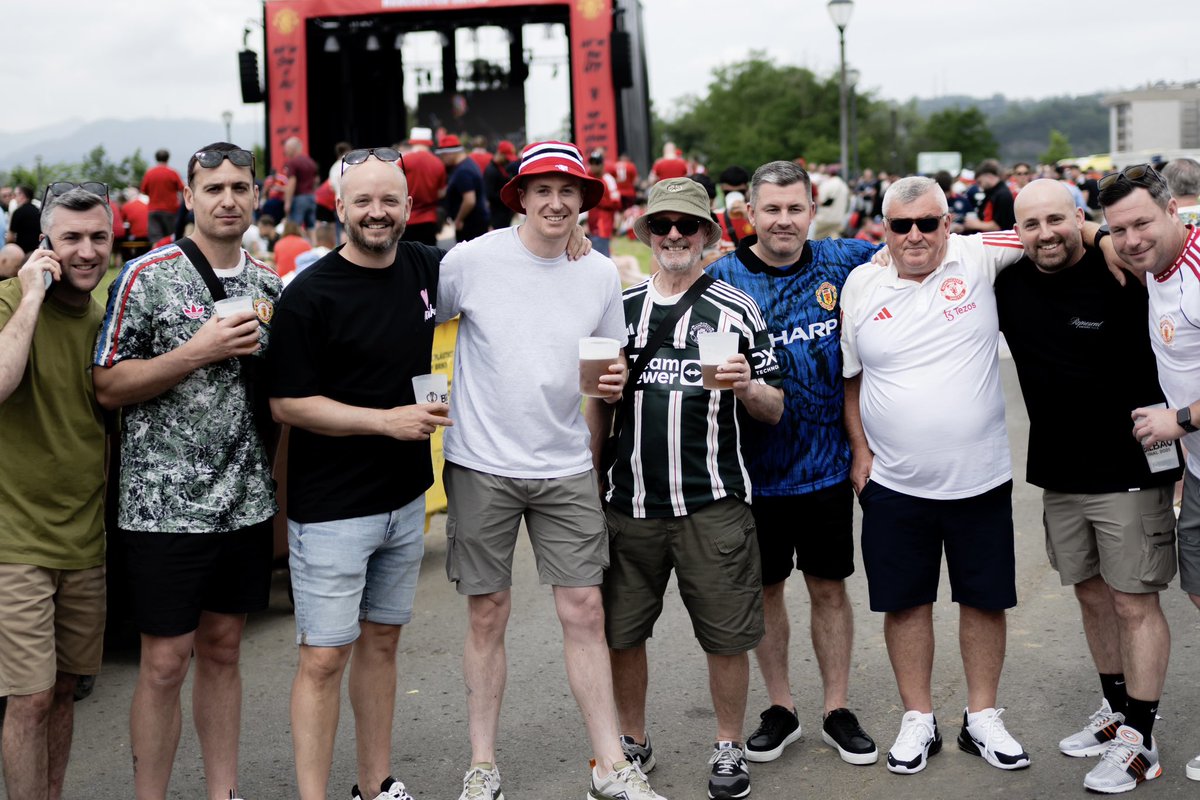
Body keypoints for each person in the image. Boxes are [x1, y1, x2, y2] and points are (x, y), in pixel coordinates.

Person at [437, 140, 663, 800]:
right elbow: (421, 320)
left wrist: (609, 396)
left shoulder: (596, 273)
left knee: (585, 609)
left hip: (564, 462)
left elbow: (600, 371)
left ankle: (609, 766)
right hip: (482, 460)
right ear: (521, 197)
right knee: (487, 612)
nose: (556, 202)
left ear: (584, 202)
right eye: (543, 190)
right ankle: (482, 764)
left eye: (569, 192)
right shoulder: (472, 261)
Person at [93, 142, 282, 800]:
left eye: (239, 187)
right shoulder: (146, 277)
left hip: (246, 502)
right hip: (160, 507)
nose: (227, 199)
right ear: (191, 197)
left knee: (226, 649)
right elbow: (107, 386)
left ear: (256, 193)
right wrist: (195, 352)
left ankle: (222, 792)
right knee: (166, 662)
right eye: (213, 188)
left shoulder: (268, 284)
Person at [595, 177, 783, 800]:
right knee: (622, 634)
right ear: (645, 234)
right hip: (630, 507)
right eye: (662, 226)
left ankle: (728, 745)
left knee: (726, 636)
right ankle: (631, 741)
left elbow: (775, 406)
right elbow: (590, 405)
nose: (674, 236)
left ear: (708, 234)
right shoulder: (616, 309)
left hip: (713, 505)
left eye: (688, 226)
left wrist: (747, 388)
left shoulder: (736, 307)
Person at [269, 147, 447, 800]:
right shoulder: (309, 295)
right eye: (363, 201)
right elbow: (287, 403)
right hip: (333, 509)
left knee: (381, 646)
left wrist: (569, 237)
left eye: (389, 201)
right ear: (339, 207)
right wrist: (386, 422)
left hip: (403, 501)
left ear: (409, 208)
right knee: (322, 658)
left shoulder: (426, 266)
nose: (378, 213)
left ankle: (376, 783)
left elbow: (507, 265)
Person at [840, 175, 1030, 775]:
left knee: (983, 599)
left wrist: (1103, 239)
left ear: (950, 223)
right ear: (886, 230)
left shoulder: (978, 256)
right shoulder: (861, 283)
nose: (916, 235)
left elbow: (1050, 229)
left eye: (929, 222)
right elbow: (851, 378)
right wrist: (860, 452)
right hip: (893, 481)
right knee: (906, 603)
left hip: (980, 476)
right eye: (902, 225)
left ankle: (982, 718)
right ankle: (918, 719)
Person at [996, 178, 1178, 793]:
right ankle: (1117, 710)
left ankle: (1141, 739)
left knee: (1134, 601)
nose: (1045, 234)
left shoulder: (1123, 270)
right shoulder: (1009, 279)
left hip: (1128, 468)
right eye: (1030, 225)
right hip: (1059, 472)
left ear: (1078, 216)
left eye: (1057, 219)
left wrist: (1105, 237)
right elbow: (962, 242)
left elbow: (1160, 242)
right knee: (1092, 595)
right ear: (1016, 232)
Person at [707, 160, 880, 769]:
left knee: (829, 589)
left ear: (813, 210)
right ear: (748, 213)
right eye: (771, 209)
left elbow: (933, 248)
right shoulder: (720, 277)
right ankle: (781, 708)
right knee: (765, 592)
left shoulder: (847, 261)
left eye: (795, 208)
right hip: (751, 475)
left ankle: (836, 708)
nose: (784, 220)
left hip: (828, 468)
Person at [0, 184, 112, 800]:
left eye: (98, 236)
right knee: (31, 697)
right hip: (15, 538)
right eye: (71, 237)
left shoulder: (104, 318)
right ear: (45, 242)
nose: (87, 250)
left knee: (66, 688)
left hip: (84, 538)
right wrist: (32, 295)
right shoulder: (9, 302)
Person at [1100, 163, 1200, 784]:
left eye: (1141, 223)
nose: (1130, 239)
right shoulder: (1150, 263)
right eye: (1117, 230)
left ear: (1172, 210)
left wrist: (1180, 422)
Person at [437, 134, 490, 243]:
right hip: (475, 221)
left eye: (443, 155)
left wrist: (458, 220)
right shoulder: (466, 165)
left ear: (450, 153)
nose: (442, 159)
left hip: (471, 224)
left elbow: (469, 200)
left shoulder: (463, 171)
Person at [400, 127, 447, 247]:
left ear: (412, 141)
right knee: (428, 259)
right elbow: (441, 193)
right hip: (429, 220)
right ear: (430, 142)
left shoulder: (403, 161)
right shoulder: (438, 163)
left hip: (406, 219)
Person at [141, 149, 185, 244]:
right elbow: (182, 189)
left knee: (156, 240)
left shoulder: (149, 173)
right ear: (168, 159)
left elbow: (144, 191)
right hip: (170, 210)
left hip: (153, 210)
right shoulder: (172, 173)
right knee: (171, 239)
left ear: (156, 158)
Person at [586, 149, 622, 257]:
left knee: (602, 256)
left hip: (603, 224)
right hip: (592, 225)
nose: (594, 166)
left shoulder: (608, 179)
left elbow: (616, 203)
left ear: (602, 165)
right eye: (592, 163)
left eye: (596, 163)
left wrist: (598, 201)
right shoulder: (589, 179)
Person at [963, 160, 1016, 233]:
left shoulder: (1003, 195)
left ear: (989, 176)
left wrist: (975, 224)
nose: (979, 185)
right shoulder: (991, 192)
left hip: (998, 239)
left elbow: (999, 226)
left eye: (980, 182)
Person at [283, 136, 320, 234]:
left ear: (292, 148)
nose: (285, 152)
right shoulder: (311, 162)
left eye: (287, 149)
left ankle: (300, 248)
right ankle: (313, 247)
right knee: (311, 227)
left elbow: (292, 183)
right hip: (311, 197)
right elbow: (316, 180)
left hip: (299, 198)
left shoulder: (293, 162)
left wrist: (287, 202)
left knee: (295, 227)